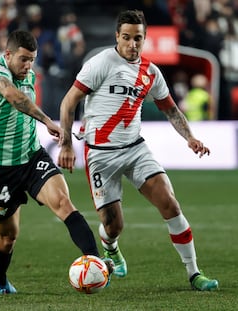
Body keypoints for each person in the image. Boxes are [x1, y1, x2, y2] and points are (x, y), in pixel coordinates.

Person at [57, 10, 219, 291]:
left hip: (135, 149)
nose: (133, 44)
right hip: (100, 154)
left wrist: (190, 138)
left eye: (138, 38)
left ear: (145, 39)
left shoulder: (151, 72)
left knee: (169, 202)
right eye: (127, 38)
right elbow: (68, 102)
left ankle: (194, 274)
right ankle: (111, 247)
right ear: (117, 37)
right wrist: (67, 144)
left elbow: (170, 109)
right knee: (113, 226)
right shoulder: (100, 63)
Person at [0, 29, 111, 294]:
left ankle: (95, 260)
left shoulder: (30, 75)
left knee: (63, 202)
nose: (28, 66)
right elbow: (14, 98)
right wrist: (48, 120)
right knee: (7, 239)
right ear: (8, 55)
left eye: (32, 60)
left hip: (31, 156)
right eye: (23, 59)